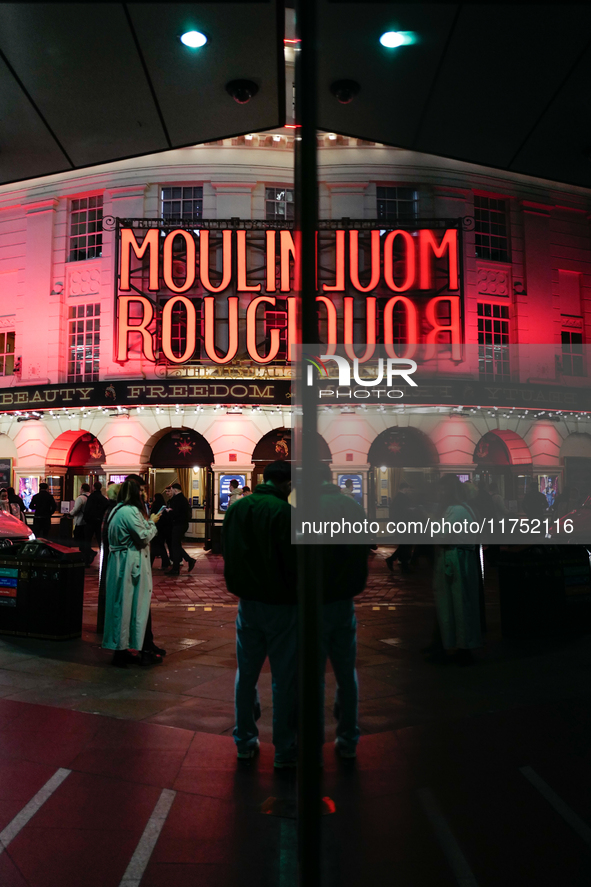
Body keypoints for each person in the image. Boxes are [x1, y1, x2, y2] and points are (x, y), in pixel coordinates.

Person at [222, 460, 297, 767]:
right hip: (281, 604)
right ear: (287, 484)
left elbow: (228, 549)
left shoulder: (237, 509)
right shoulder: (286, 513)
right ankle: (284, 749)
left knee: (246, 675)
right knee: (283, 678)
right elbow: (294, 562)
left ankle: (244, 740)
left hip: (247, 602)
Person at [317, 463, 369, 759]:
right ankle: (348, 736)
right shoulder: (352, 507)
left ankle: (313, 739)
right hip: (343, 599)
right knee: (346, 672)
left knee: (313, 674)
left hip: (315, 600)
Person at [102, 479, 162, 667]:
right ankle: (129, 650)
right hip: (130, 565)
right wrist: (152, 523)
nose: (144, 495)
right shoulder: (130, 511)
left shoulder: (117, 510)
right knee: (132, 607)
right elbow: (143, 536)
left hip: (120, 563)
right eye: (142, 491)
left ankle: (123, 649)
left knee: (123, 607)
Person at [430, 475, 481, 666]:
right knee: (463, 603)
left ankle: (460, 646)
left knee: (456, 604)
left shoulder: (454, 510)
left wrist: (430, 524)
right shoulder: (466, 508)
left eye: (442, 490)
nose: (439, 494)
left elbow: (441, 536)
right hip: (463, 558)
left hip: (454, 559)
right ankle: (460, 644)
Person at [165, 482, 196, 575]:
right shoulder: (183, 499)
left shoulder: (177, 499)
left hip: (178, 524)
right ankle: (189, 560)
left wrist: (168, 511)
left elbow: (175, 513)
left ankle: (176, 568)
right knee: (176, 545)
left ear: (175, 490)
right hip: (182, 524)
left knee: (175, 546)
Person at [385, 482, 413, 573]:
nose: (409, 490)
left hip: (399, 524)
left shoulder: (397, 498)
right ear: (405, 488)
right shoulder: (403, 498)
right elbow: (406, 511)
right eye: (408, 489)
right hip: (404, 524)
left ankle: (395, 560)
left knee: (404, 543)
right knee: (406, 543)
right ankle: (401, 563)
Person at [83, 482, 109, 561]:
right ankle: (104, 558)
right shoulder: (103, 499)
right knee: (100, 541)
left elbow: (87, 509)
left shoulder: (91, 497)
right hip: (99, 522)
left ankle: (87, 559)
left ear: (93, 487)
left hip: (90, 522)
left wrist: (86, 519)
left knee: (87, 540)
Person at [150, 492, 172, 570]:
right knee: (160, 546)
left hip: (157, 529)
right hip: (163, 530)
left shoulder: (155, 507)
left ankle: (151, 563)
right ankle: (165, 562)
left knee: (155, 546)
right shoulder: (164, 508)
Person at [70, 483, 91, 559]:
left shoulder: (80, 498)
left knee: (80, 540)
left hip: (80, 521)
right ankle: (87, 555)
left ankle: (82, 556)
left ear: (82, 489)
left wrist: (70, 513)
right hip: (89, 522)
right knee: (87, 540)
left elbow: (76, 509)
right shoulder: (91, 497)